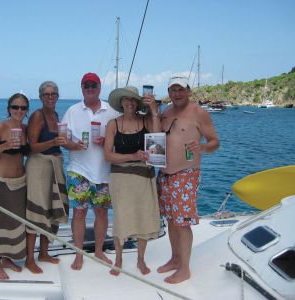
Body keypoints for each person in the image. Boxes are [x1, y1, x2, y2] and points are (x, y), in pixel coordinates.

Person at [156, 75, 219, 284]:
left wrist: (202, 147)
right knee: (171, 220)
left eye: (180, 89)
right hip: (164, 175)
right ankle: (175, 259)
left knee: (182, 223)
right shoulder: (166, 112)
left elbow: (215, 142)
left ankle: (185, 268)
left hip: (186, 174)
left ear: (188, 91)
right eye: (173, 90)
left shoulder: (199, 113)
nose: (177, 94)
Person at [62, 72, 119, 270]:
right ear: (81, 88)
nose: (90, 89)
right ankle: (79, 255)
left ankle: (99, 251)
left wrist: (107, 142)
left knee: (101, 213)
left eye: (93, 85)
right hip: (78, 170)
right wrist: (72, 145)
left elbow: (121, 139)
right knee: (79, 213)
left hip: (104, 171)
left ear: (99, 87)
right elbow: (63, 140)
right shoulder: (72, 110)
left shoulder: (111, 111)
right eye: (86, 85)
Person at [103, 86, 161, 276]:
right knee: (121, 218)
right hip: (120, 178)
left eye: (133, 100)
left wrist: (153, 111)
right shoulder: (113, 124)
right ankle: (118, 259)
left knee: (143, 217)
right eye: (126, 99)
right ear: (121, 102)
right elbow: (108, 156)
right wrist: (133, 156)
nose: (129, 102)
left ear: (138, 103)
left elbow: (158, 143)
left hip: (144, 177)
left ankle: (140, 260)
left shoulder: (146, 121)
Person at [0, 93, 30, 280]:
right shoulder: (1, 127)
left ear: (27, 110)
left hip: (20, 183)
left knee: (16, 223)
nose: (19, 110)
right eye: (15, 107)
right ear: (9, 108)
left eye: (23, 107)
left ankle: (8, 259)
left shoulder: (25, 128)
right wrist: (4, 146)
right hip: (0, 183)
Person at [25, 81, 69, 273]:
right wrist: (53, 141)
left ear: (58, 96)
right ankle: (29, 259)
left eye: (53, 94)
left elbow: (57, 144)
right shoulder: (37, 115)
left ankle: (43, 253)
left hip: (53, 166)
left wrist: (61, 146)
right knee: (37, 211)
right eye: (46, 95)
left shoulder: (55, 115)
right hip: (38, 168)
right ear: (41, 97)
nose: (50, 97)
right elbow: (32, 147)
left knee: (51, 209)